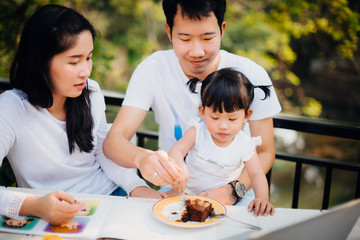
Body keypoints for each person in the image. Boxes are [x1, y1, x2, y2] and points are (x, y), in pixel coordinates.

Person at [103, 0, 281, 205]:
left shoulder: (251, 74)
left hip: (238, 190)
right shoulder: (152, 69)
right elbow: (113, 142)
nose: (197, 51)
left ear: (222, 30)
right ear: (169, 32)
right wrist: (142, 159)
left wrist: (232, 191)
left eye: (207, 37)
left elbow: (265, 151)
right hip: (176, 190)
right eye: (185, 38)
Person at [0, 4, 164, 224]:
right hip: (54, 217)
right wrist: (34, 206)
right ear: (40, 62)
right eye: (74, 61)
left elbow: (103, 153)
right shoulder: (11, 109)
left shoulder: (91, 93)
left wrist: (137, 187)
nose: (86, 71)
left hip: (111, 198)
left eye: (88, 58)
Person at [166, 68, 275, 215]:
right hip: (188, 194)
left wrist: (262, 197)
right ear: (203, 112)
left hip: (223, 201)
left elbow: (256, 173)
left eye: (232, 119)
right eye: (215, 118)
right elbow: (177, 150)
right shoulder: (197, 131)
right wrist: (178, 163)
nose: (223, 126)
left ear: (246, 116)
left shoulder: (245, 144)